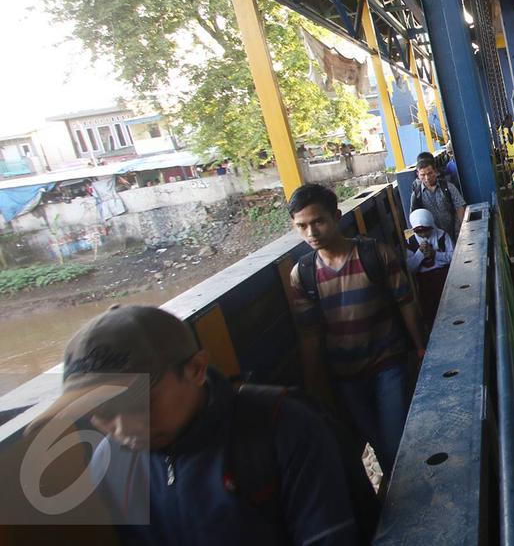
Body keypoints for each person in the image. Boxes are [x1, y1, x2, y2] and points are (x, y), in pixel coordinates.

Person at [27, 305, 362, 545]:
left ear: (197, 369)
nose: (121, 429)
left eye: (138, 404)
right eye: (98, 413)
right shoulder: (110, 462)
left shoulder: (285, 428)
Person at [287, 183, 423, 475]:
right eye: (302, 226)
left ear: (336, 217)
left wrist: (420, 346)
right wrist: (315, 390)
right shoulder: (302, 275)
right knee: (378, 443)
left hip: (388, 362)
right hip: (345, 376)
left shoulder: (374, 254)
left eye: (318, 221)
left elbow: (406, 302)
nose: (311, 233)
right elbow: (309, 336)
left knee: (395, 441)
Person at [405, 208, 455, 332]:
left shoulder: (442, 236)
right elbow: (410, 267)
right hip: (424, 281)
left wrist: (435, 255)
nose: (423, 235)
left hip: (444, 276)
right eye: (418, 232)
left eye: (426, 230)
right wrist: (420, 254)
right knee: (430, 311)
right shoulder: (410, 242)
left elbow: (453, 256)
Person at [408, 157, 465, 239]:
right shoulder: (416, 195)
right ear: (418, 174)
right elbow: (414, 218)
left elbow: (459, 206)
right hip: (433, 238)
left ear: (435, 171)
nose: (427, 178)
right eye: (423, 175)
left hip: (454, 232)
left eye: (429, 173)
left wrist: (462, 227)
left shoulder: (448, 187)